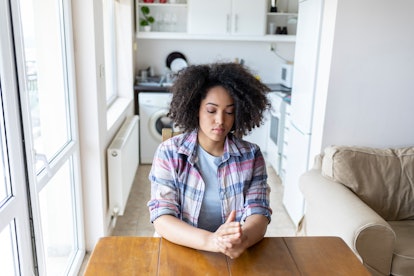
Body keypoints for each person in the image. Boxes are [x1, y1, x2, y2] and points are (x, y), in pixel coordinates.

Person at [147, 62, 272, 259]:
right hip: (180, 249)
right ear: (196, 109)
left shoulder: (251, 155)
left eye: (229, 111)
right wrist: (211, 241)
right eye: (211, 110)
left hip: (232, 253)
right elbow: (162, 216)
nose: (221, 120)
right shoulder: (169, 152)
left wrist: (243, 239)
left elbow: (259, 212)